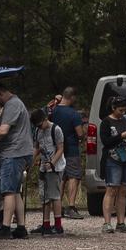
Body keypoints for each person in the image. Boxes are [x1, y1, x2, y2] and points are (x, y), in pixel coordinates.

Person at [0, 78, 34, 238]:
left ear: (0, 93)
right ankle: (21, 227)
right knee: (16, 191)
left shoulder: (12, 105)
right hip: (22, 152)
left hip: (13, 153)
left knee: (8, 192)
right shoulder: (18, 103)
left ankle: (5, 228)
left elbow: (3, 130)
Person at [98, 90, 126, 233]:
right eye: (120, 110)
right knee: (111, 189)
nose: (123, 112)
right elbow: (106, 141)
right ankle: (107, 223)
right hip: (112, 159)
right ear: (113, 108)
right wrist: (121, 136)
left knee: (123, 191)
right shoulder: (106, 122)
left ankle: (121, 223)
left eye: (124, 110)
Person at [49, 88, 86, 217]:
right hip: (71, 149)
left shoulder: (53, 111)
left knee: (61, 177)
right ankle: (71, 207)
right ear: (73, 97)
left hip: (56, 149)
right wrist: (82, 136)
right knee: (73, 177)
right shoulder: (74, 114)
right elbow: (80, 133)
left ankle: (57, 207)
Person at [31, 106, 66, 236]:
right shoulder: (37, 131)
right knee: (44, 196)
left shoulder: (56, 129)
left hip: (55, 167)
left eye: (41, 124)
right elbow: (37, 148)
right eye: (37, 126)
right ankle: (45, 224)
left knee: (54, 195)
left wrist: (52, 162)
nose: (40, 128)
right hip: (43, 167)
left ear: (45, 119)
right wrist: (30, 161)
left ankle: (58, 225)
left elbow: (60, 148)